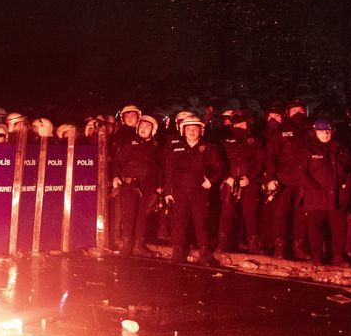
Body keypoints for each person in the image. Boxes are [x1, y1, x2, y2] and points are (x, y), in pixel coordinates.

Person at [163, 114, 223, 265]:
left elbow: (219, 168)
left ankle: (204, 254)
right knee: (179, 222)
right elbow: (169, 172)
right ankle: (177, 253)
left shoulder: (209, 149)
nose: (192, 131)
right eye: (189, 129)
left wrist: (211, 180)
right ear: (183, 131)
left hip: (199, 192)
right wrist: (168, 192)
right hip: (180, 191)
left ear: (200, 131)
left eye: (195, 129)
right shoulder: (175, 148)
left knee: (201, 223)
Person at [263, 100, 311, 259]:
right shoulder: (280, 131)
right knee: (280, 214)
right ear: (288, 113)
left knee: (302, 214)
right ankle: (280, 248)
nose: (298, 112)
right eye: (294, 110)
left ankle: (299, 247)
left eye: (301, 110)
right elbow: (270, 157)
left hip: (305, 180)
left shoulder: (310, 129)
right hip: (283, 179)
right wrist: (271, 178)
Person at [303, 120, 351, 265]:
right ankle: (317, 256)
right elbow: (300, 173)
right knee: (315, 229)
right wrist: (314, 188)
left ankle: (338, 256)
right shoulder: (308, 150)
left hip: (337, 197)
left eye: (328, 131)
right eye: (321, 131)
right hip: (316, 197)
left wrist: (346, 187)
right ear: (314, 133)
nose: (325, 134)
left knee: (339, 228)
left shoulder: (341, 149)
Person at [111, 116, 162, 256]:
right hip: (130, 185)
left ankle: (138, 246)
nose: (143, 128)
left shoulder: (156, 146)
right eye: (141, 126)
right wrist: (115, 176)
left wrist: (160, 186)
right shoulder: (129, 143)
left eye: (147, 126)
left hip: (148, 186)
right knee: (128, 215)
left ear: (153, 130)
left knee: (143, 216)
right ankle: (126, 246)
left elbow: (161, 167)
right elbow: (117, 161)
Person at [217, 111, 263, 253]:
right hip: (230, 182)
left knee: (250, 213)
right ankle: (222, 244)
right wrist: (227, 178)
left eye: (242, 124)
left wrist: (250, 177)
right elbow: (219, 162)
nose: (239, 127)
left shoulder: (255, 141)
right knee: (227, 212)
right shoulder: (225, 141)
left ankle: (253, 243)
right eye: (236, 124)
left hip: (248, 182)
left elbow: (260, 162)